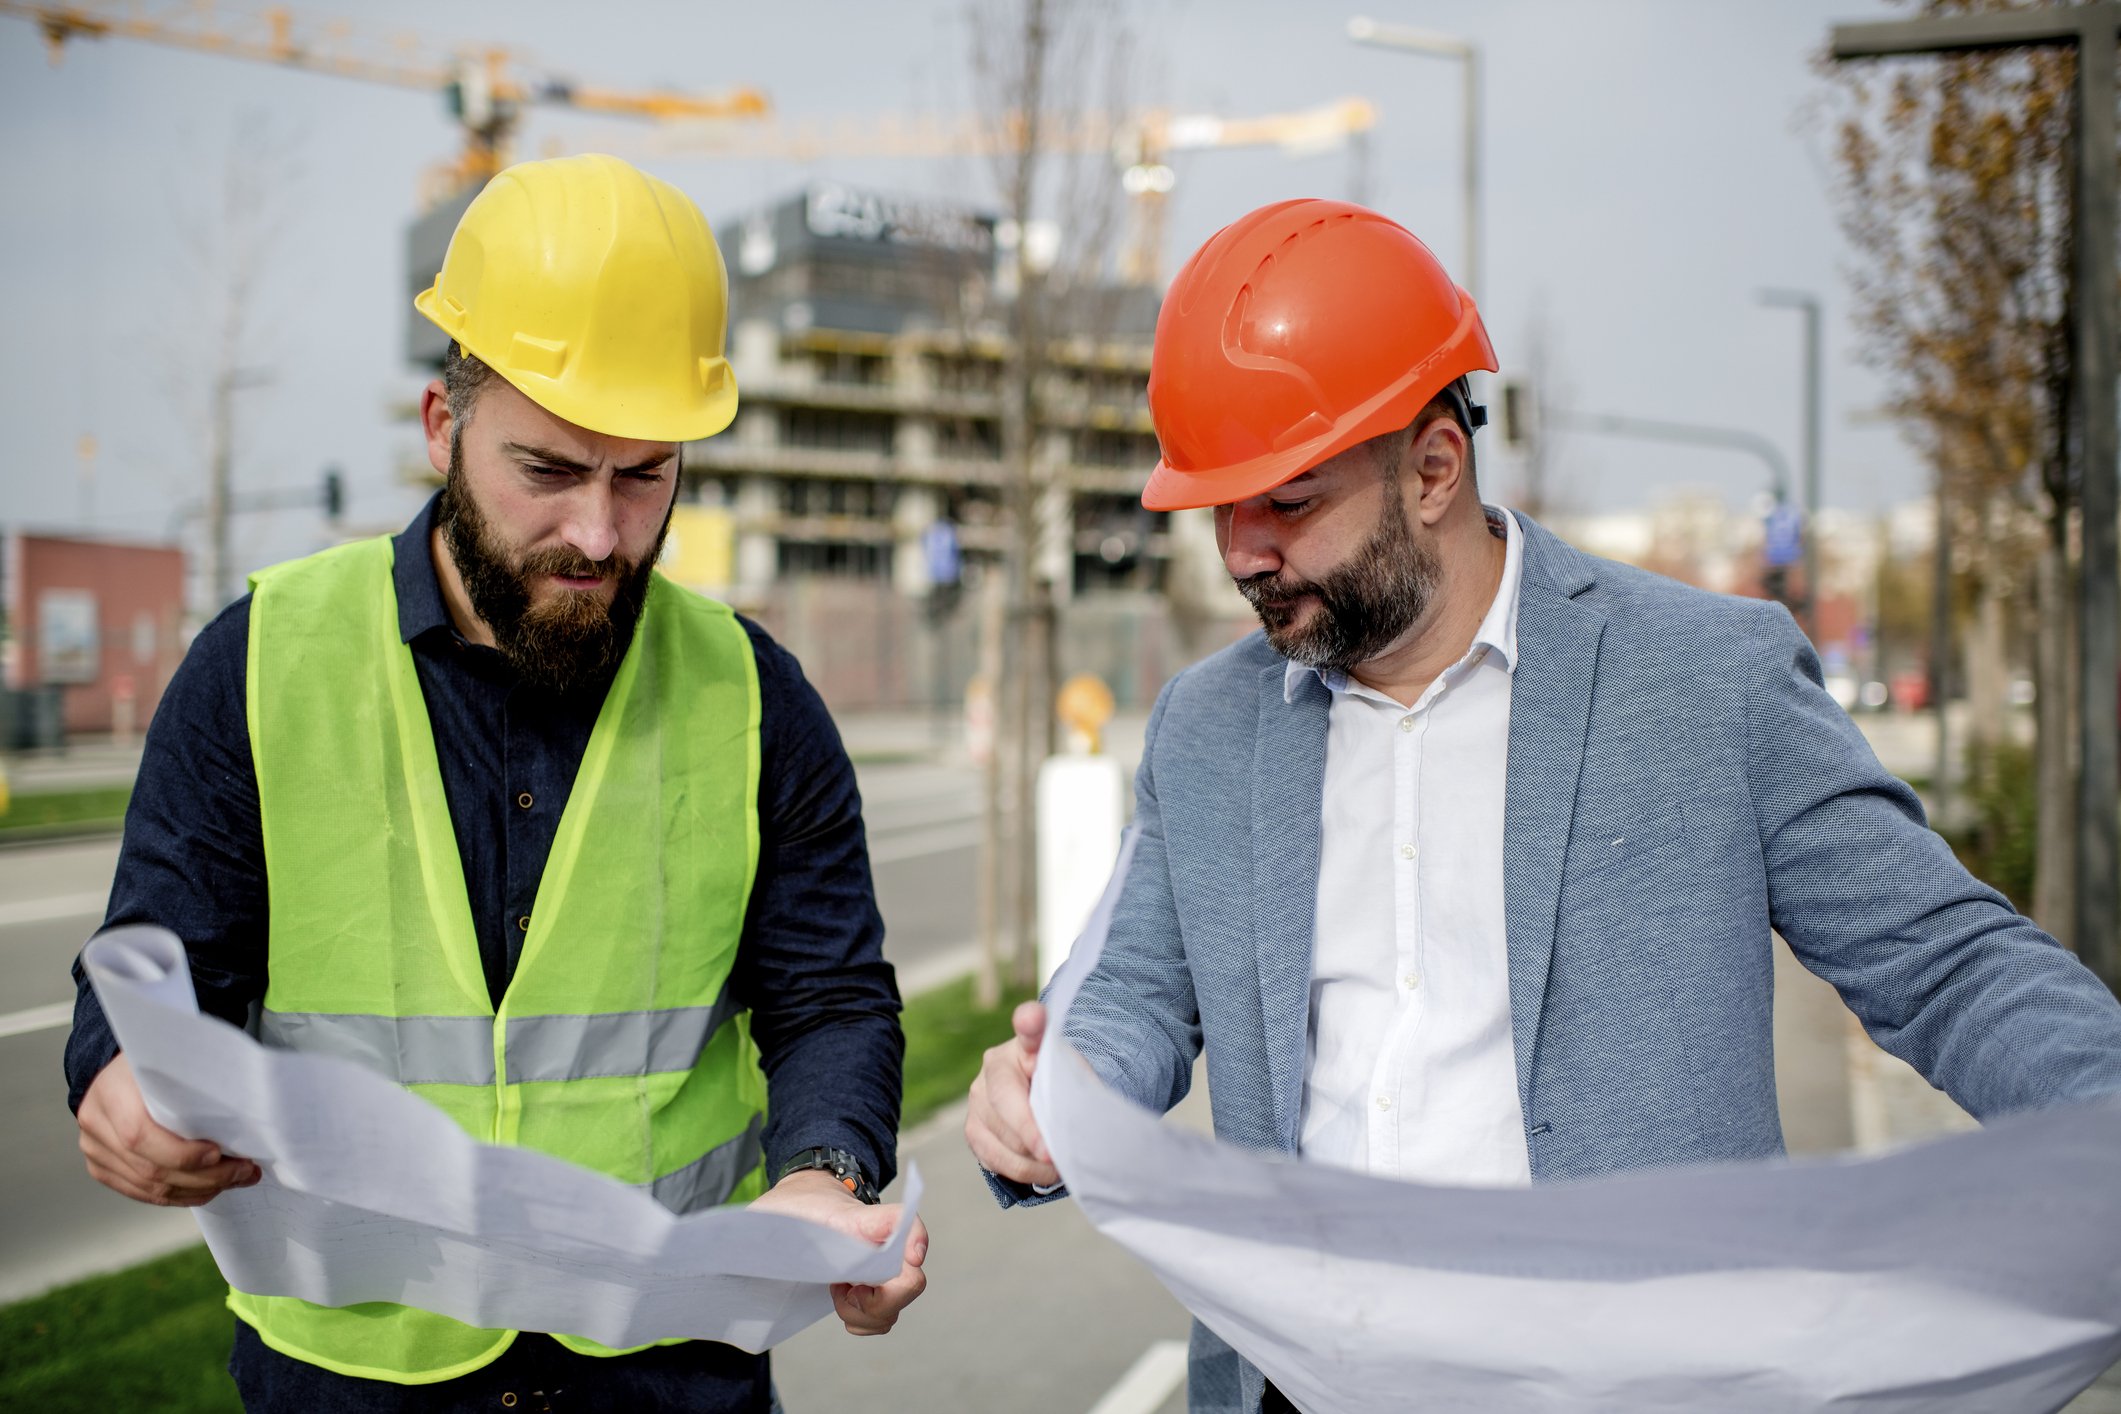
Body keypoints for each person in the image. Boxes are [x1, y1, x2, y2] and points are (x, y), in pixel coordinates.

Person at [964, 197, 2121, 1413]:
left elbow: (1946, 962)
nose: (1245, 550)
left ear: (1432, 468)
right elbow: (1139, 988)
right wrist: (1060, 1090)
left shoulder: (1706, 680)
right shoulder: (1206, 726)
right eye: (1221, 507)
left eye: (1290, 500)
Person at [66, 153, 925, 1412]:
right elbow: (153, 964)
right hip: (355, 1378)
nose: (597, 531)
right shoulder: (260, 664)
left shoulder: (755, 697)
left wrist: (826, 1171)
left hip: (666, 1375)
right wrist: (114, 1080)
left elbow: (832, 998)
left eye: (644, 476)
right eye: (550, 470)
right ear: (442, 426)